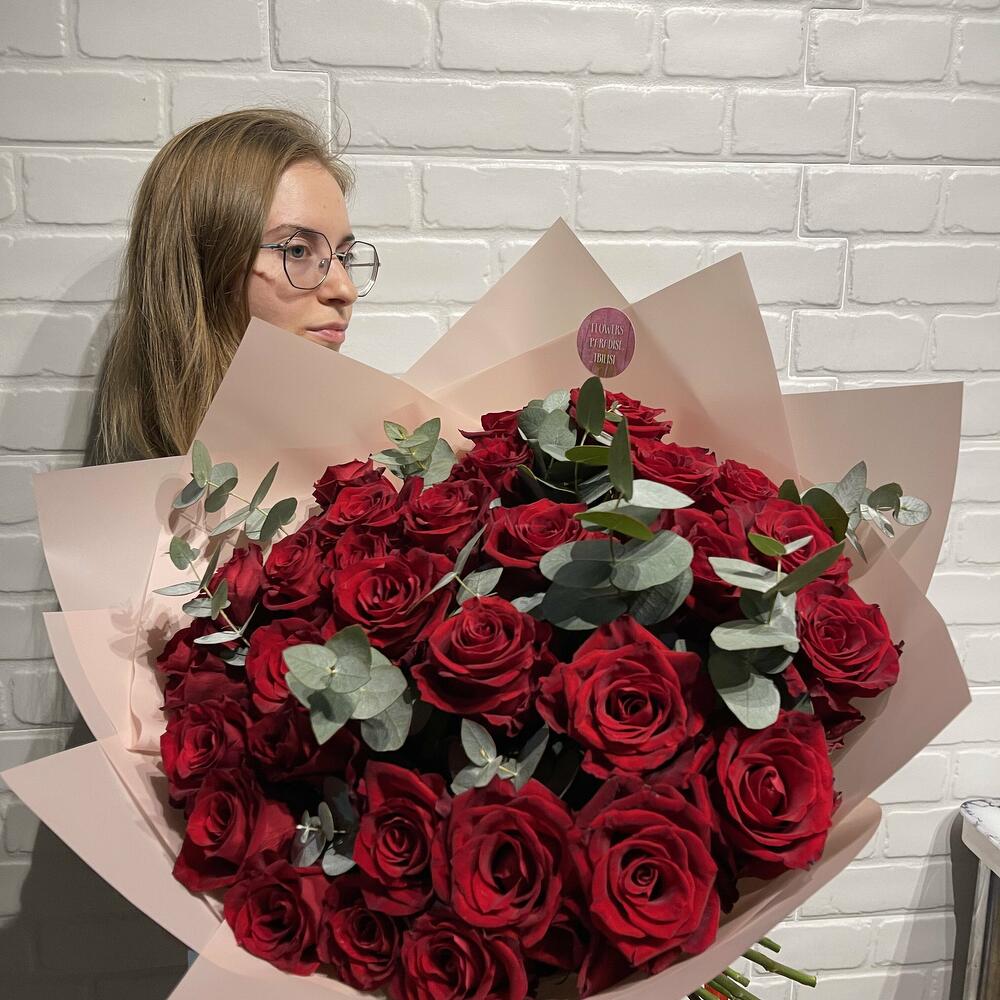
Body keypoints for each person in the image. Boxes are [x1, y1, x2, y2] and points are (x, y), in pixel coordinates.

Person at [83, 105, 380, 468]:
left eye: (344, 256)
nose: (345, 290)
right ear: (205, 264)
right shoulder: (139, 484)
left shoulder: (359, 456)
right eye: (298, 250)